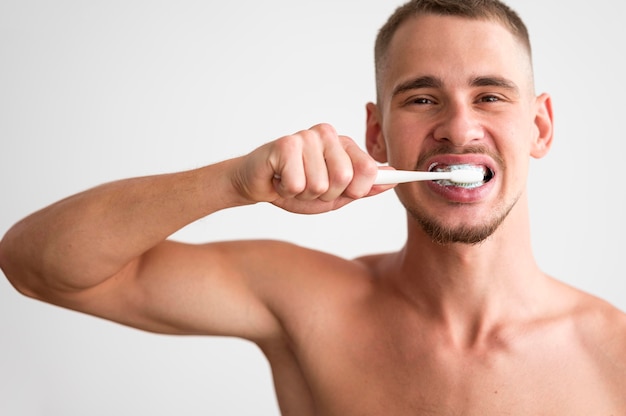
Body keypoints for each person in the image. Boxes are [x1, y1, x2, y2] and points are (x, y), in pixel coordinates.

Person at [1, 0, 625, 413]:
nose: (459, 129)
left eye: (490, 96)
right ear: (376, 135)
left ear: (540, 126)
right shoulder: (306, 303)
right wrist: (236, 183)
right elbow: (33, 262)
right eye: (422, 100)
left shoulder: (614, 356)